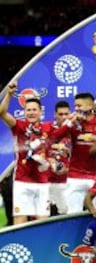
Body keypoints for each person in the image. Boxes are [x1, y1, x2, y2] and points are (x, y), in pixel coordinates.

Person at [0, 82, 53, 224]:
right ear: (24, 112)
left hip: (42, 182)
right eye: (28, 110)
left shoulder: (49, 127)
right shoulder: (18, 126)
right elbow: (2, 112)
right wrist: (10, 94)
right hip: (22, 181)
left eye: (34, 110)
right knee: (20, 221)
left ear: (40, 112)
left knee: (43, 223)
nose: (31, 112)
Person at [64, 92, 96, 214]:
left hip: (95, 176)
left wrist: (89, 150)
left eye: (79, 106)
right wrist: (70, 123)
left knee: (95, 214)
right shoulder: (72, 122)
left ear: (90, 106)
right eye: (75, 106)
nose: (76, 109)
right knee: (72, 215)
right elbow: (58, 134)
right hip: (75, 176)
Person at [48, 101, 72, 215]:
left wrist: (67, 169)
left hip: (68, 182)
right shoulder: (47, 129)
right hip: (49, 182)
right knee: (48, 217)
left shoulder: (75, 132)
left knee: (68, 215)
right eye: (60, 114)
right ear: (55, 114)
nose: (63, 117)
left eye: (66, 114)